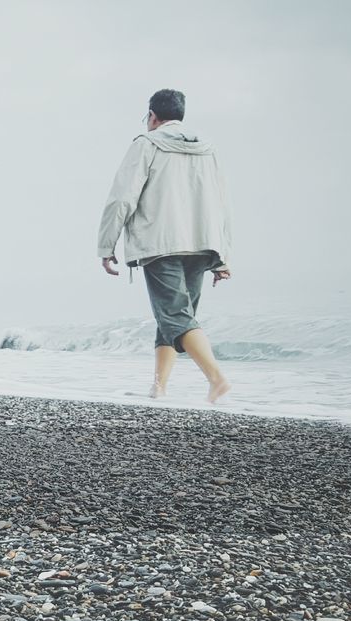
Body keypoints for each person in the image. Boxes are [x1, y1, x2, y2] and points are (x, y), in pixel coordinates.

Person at [98, 89, 233, 403]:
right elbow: (221, 202)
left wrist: (106, 245)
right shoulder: (207, 148)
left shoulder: (147, 144)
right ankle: (159, 388)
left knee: (175, 316)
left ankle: (217, 379)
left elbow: (122, 198)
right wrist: (223, 255)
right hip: (203, 244)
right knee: (172, 318)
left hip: (160, 243)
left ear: (152, 116)